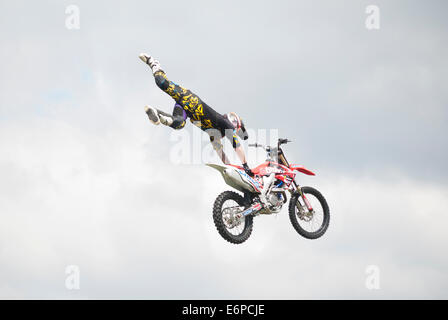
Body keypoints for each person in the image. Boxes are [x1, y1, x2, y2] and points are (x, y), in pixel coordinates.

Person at [139, 53, 254, 176]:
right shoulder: (223, 121)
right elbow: (237, 146)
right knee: (161, 82)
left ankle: (157, 113)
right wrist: (245, 165)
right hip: (187, 97)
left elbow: (222, 156)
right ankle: (153, 63)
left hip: (184, 109)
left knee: (179, 124)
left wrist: (232, 171)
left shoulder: (213, 134)